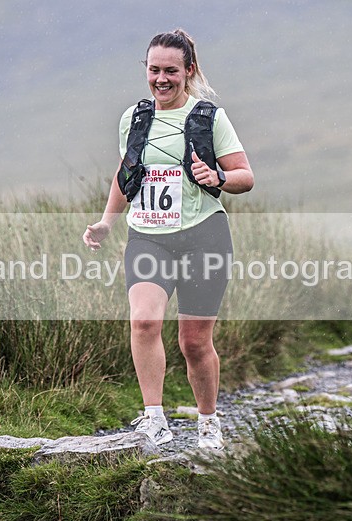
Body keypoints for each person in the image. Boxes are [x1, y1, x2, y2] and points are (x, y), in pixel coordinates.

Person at [82, 29, 254, 449]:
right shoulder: (134, 119)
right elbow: (127, 175)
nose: (161, 79)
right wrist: (107, 221)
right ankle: (154, 418)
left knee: (194, 343)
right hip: (148, 238)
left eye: (171, 71)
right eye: (154, 70)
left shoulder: (210, 117)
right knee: (143, 320)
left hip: (204, 238)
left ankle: (209, 424)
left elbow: (246, 177)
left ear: (188, 71)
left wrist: (219, 177)